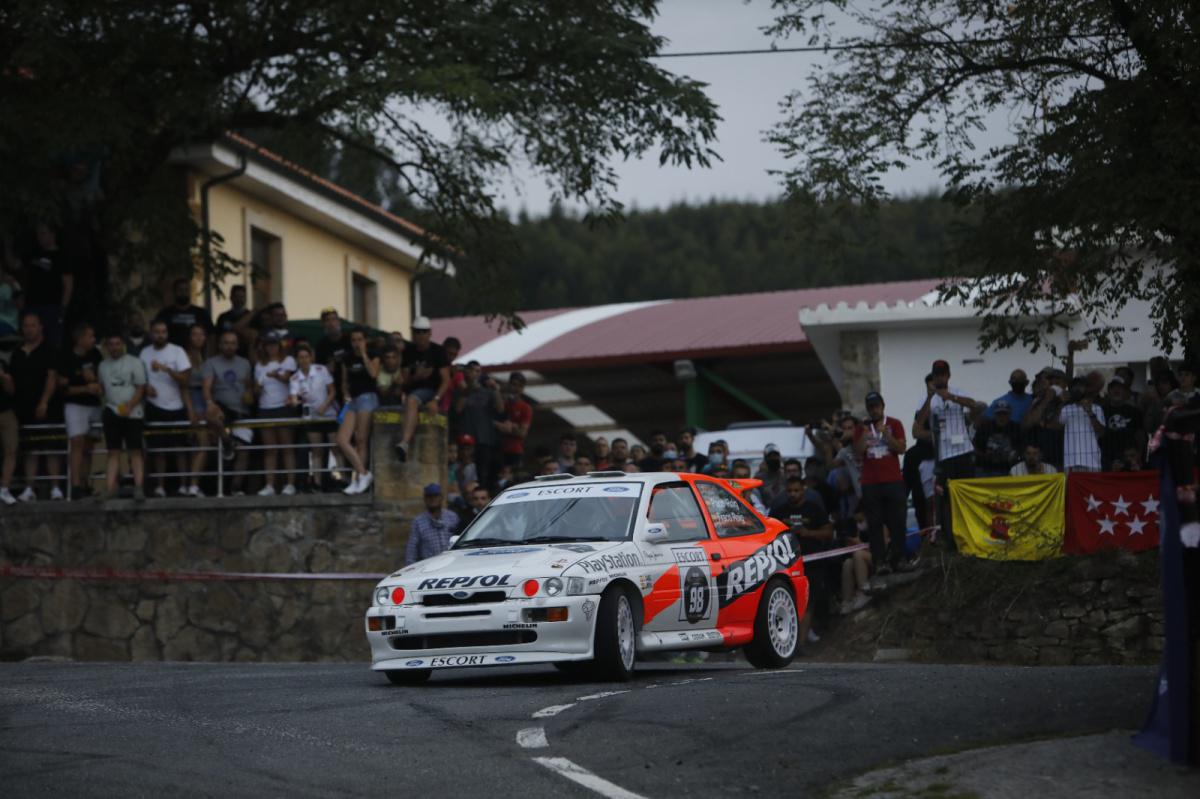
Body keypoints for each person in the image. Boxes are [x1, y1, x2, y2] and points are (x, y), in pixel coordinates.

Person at [914, 359, 981, 551]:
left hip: (964, 452)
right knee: (946, 500)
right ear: (933, 377)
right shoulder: (928, 399)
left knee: (967, 495)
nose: (940, 377)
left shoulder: (957, 391)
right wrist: (930, 398)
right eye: (937, 374)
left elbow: (974, 405)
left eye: (943, 374)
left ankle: (971, 536)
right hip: (944, 456)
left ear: (948, 375)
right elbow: (919, 423)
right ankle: (950, 539)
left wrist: (950, 397)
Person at [770, 476, 834, 646]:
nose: (793, 494)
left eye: (796, 490)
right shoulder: (778, 511)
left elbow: (828, 532)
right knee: (784, 603)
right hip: (785, 565)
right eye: (790, 491)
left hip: (812, 565)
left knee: (808, 603)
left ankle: (801, 644)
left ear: (803, 490)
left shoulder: (814, 509)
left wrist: (808, 533)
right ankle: (784, 642)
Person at [11, 310, 63, 500]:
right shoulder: (17, 353)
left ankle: (56, 487)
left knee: (50, 447)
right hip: (23, 408)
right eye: (26, 325)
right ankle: (29, 488)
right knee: (30, 449)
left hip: (47, 408)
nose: (29, 329)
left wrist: (44, 402)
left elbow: (52, 377)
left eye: (33, 325)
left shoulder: (49, 350)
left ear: (40, 327)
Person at [855, 391, 909, 573]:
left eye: (876, 406)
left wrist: (887, 435)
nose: (874, 410)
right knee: (875, 523)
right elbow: (857, 452)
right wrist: (863, 436)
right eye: (870, 407)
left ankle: (898, 559)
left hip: (893, 479)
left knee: (898, 521)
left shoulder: (894, 423)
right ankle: (880, 562)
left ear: (883, 406)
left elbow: (901, 449)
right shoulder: (861, 427)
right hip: (871, 482)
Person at [140, 319, 192, 497]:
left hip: (176, 406)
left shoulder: (177, 351)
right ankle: (160, 486)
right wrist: (146, 388)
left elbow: (185, 380)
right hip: (154, 407)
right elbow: (139, 379)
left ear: (167, 333)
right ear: (151, 333)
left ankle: (184, 485)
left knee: (180, 449)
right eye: (157, 332)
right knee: (158, 450)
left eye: (163, 331)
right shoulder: (144, 353)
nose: (160, 335)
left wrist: (167, 369)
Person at [201, 330, 253, 495]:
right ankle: (227, 441)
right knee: (212, 415)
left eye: (232, 343)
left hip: (242, 411)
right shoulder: (211, 363)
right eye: (226, 342)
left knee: (244, 450)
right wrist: (209, 403)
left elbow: (250, 387)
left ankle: (235, 488)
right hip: (222, 406)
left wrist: (250, 394)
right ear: (220, 344)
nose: (229, 346)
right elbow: (207, 387)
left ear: (237, 345)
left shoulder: (245, 363)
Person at [97, 333, 148, 501]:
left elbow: (141, 387)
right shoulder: (103, 365)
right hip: (111, 410)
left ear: (123, 345)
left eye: (117, 343)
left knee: (135, 450)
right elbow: (103, 389)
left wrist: (130, 405)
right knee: (113, 451)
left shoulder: (135, 362)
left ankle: (138, 487)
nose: (114, 347)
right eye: (111, 344)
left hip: (133, 412)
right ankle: (110, 488)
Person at [396, 316, 451, 463]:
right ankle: (404, 443)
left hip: (431, 391)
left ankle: (405, 442)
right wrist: (417, 377)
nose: (421, 335)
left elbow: (446, 380)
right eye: (418, 332)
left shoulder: (438, 351)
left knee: (412, 400)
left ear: (430, 333)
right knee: (411, 399)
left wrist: (436, 399)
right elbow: (404, 380)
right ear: (413, 333)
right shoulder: (408, 352)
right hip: (413, 391)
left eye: (424, 331)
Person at [58, 322, 103, 499]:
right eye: (90, 336)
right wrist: (86, 388)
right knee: (76, 442)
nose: (93, 340)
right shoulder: (66, 357)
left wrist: (94, 383)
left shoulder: (96, 354)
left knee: (89, 445)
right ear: (80, 338)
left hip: (94, 405)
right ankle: (75, 484)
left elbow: (101, 379)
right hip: (74, 405)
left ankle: (85, 482)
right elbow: (63, 388)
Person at [288, 342, 338, 491]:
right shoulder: (294, 378)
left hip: (328, 414)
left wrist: (325, 405)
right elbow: (293, 398)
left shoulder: (321, 369)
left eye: (306, 356)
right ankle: (317, 482)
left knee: (336, 448)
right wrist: (294, 401)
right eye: (300, 357)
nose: (303, 360)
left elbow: (332, 391)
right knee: (316, 450)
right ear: (297, 360)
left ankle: (343, 479)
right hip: (311, 417)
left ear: (311, 357)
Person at [254, 332, 298, 496]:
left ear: (279, 345)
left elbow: (291, 379)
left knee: (287, 447)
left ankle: (290, 484)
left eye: (274, 344)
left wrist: (277, 376)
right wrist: (256, 390)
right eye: (268, 344)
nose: (271, 347)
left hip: (283, 406)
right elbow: (256, 387)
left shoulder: (288, 360)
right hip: (265, 407)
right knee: (270, 449)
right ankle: (269, 485)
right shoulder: (259, 364)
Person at [338, 327, 378, 494]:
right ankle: (363, 474)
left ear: (365, 340)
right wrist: (346, 394)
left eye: (359, 339)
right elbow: (344, 381)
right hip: (353, 400)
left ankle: (358, 478)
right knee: (342, 439)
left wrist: (363, 355)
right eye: (354, 340)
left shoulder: (373, 354)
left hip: (368, 398)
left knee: (361, 439)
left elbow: (373, 373)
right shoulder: (346, 358)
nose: (356, 343)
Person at [454, 362, 504, 490]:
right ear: (466, 372)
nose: (475, 374)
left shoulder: (487, 392)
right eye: (472, 370)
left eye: (478, 371)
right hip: (467, 438)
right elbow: (458, 409)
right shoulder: (461, 390)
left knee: (484, 472)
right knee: (465, 470)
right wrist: (469, 389)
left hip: (485, 438)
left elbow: (500, 409)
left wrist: (496, 389)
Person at [22, 223, 73, 347]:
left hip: (52, 306)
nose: (40, 237)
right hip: (32, 304)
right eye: (38, 234)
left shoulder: (61, 255)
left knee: (52, 340)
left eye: (43, 233)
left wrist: (63, 306)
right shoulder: (34, 253)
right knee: (31, 339)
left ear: (52, 235)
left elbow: (68, 283)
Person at [183, 324, 210, 498]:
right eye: (195, 334)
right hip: (192, 401)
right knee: (202, 445)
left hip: (204, 400)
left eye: (201, 334)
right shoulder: (185, 357)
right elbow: (184, 386)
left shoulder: (204, 357)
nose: (198, 338)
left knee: (198, 446)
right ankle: (192, 485)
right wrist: (191, 409)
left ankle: (192, 485)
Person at [1057, 377, 1106, 472]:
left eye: (1081, 388)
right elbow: (1056, 426)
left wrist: (1090, 412)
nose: (1078, 391)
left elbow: (1101, 433)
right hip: (1071, 462)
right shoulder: (1066, 409)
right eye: (1076, 388)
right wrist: (1061, 402)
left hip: (1092, 462)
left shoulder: (1097, 409)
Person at [1022, 367, 1067, 469]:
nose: (1053, 385)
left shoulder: (1069, 401)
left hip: (1060, 457)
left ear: (1064, 384)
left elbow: (1058, 425)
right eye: (1051, 382)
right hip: (1039, 459)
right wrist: (1046, 399)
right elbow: (1026, 424)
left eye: (1057, 382)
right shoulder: (1038, 400)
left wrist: (1062, 401)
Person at [405, 483, 460, 565]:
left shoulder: (452, 517)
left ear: (441, 497)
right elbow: (411, 550)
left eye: (435, 496)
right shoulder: (418, 521)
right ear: (425, 498)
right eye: (429, 496)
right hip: (429, 566)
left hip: (451, 564)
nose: (432, 499)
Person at [154, 277, 214, 348]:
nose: (183, 292)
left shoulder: (201, 313)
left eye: (186, 290)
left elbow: (212, 335)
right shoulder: (165, 313)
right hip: (171, 355)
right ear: (174, 292)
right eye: (180, 290)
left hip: (196, 355)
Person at [1101, 375, 1144, 471]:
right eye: (1113, 387)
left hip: (1129, 458)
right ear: (1108, 391)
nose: (1116, 390)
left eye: (1120, 387)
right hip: (1106, 459)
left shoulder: (1134, 412)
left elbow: (1140, 436)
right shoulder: (1100, 410)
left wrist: (1139, 456)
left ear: (1126, 391)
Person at [973, 399, 1023, 476]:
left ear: (1010, 414)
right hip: (986, 469)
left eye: (1004, 414)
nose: (1002, 417)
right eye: (999, 414)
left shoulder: (1016, 428)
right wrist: (985, 456)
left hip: (1010, 469)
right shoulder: (984, 428)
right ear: (994, 414)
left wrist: (1015, 455)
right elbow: (975, 447)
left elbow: (1022, 448)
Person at [497, 371, 532, 469]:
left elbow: (522, 433)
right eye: (514, 385)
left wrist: (509, 427)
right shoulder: (501, 403)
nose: (516, 388)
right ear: (509, 385)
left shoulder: (525, 407)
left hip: (514, 451)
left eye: (519, 386)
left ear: (522, 388)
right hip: (498, 448)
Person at [0, 357, 18, 504]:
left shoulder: (3, 362)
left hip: (5, 411)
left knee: (11, 449)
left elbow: (11, 390)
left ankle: (4, 489)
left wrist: (4, 378)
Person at [215, 284, 252, 354]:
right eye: (237, 296)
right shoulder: (223, 317)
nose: (239, 299)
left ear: (245, 298)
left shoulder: (252, 317)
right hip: (225, 356)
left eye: (242, 297)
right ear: (231, 297)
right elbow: (216, 338)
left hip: (246, 356)